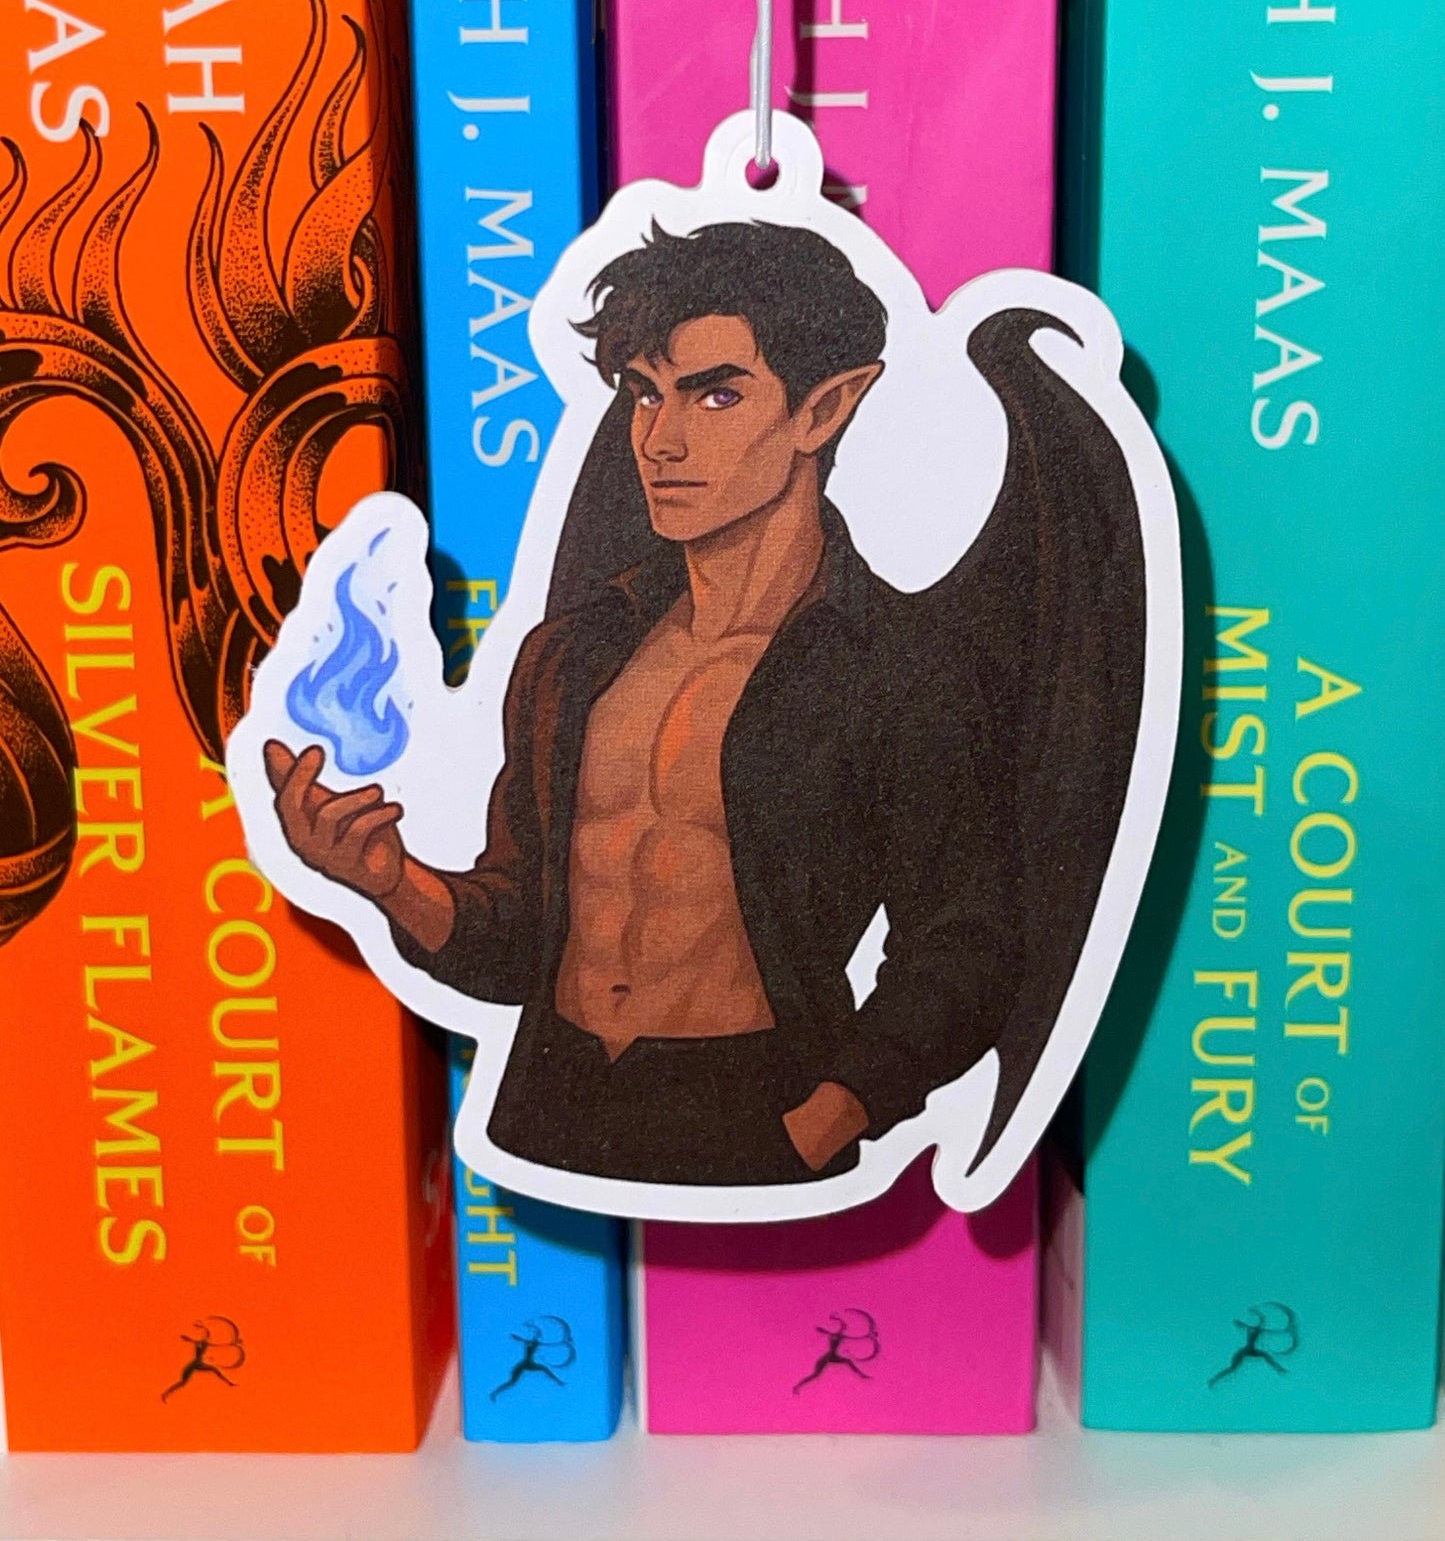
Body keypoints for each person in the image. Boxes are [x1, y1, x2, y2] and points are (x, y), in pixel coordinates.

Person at [264, 222, 1078, 1188]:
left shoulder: (895, 668)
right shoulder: (573, 653)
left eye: (716, 394)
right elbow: (518, 938)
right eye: (645, 394)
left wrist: (831, 1117)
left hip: (759, 1110)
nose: (662, 440)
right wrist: (391, 881)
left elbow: (964, 946)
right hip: (552, 1102)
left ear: (824, 408)